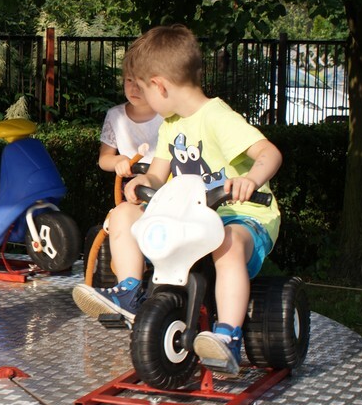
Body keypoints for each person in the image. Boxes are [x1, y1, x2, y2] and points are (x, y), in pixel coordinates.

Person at [72, 24, 282, 375]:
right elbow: (158, 173)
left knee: (227, 244)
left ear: (160, 85)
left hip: (239, 215)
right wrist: (143, 181)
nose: (141, 99)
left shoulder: (217, 117)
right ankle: (129, 291)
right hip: (189, 216)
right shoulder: (171, 124)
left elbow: (269, 153)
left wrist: (250, 179)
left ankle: (227, 335)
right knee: (124, 214)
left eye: (142, 89)